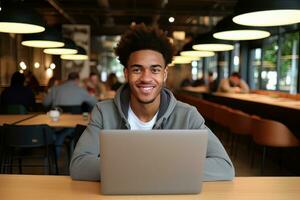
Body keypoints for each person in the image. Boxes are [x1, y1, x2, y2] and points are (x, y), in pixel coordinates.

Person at [70, 24, 234, 181]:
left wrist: (155, 169)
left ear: (164, 74)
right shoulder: (103, 112)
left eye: (155, 69)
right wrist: (148, 169)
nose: (146, 78)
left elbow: (224, 166)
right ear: (126, 74)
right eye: (137, 69)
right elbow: (79, 165)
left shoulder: (187, 115)